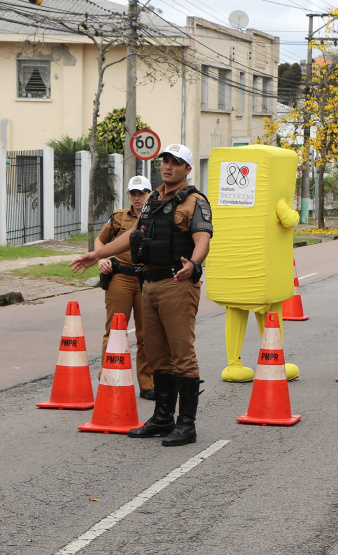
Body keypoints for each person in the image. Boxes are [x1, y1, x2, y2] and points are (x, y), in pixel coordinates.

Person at [70, 144, 212, 447]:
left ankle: (186, 425)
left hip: (177, 283)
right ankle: (162, 418)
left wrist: (194, 263)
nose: (168, 166)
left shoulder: (195, 202)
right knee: (156, 353)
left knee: (181, 355)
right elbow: (132, 236)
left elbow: (203, 238)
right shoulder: (152, 201)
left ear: (187, 169)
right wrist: (96, 255)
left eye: (176, 163)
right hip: (149, 283)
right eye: (165, 161)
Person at [96, 175, 154, 400]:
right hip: (121, 277)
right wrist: (101, 258)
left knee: (146, 334)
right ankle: (108, 377)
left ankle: (147, 384)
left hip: (147, 280)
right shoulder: (119, 217)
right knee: (114, 330)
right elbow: (101, 240)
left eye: (142, 193)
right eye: (133, 193)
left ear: (150, 194)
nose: (137, 198)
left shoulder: (157, 216)